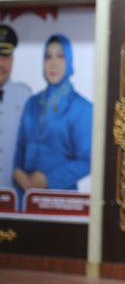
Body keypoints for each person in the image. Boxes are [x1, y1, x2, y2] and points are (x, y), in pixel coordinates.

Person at [13, 34, 91, 203]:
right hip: (24, 197)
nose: (53, 63)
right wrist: (17, 171)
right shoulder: (32, 103)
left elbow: (87, 160)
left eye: (60, 56)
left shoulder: (82, 108)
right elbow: (20, 146)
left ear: (69, 60)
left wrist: (49, 180)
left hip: (61, 200)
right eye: (48, 56)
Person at [0, 24, 32, 191]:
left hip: (16, 197)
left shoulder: (26, 97)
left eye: (5, 56)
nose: (0, 62)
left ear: (12, 60)